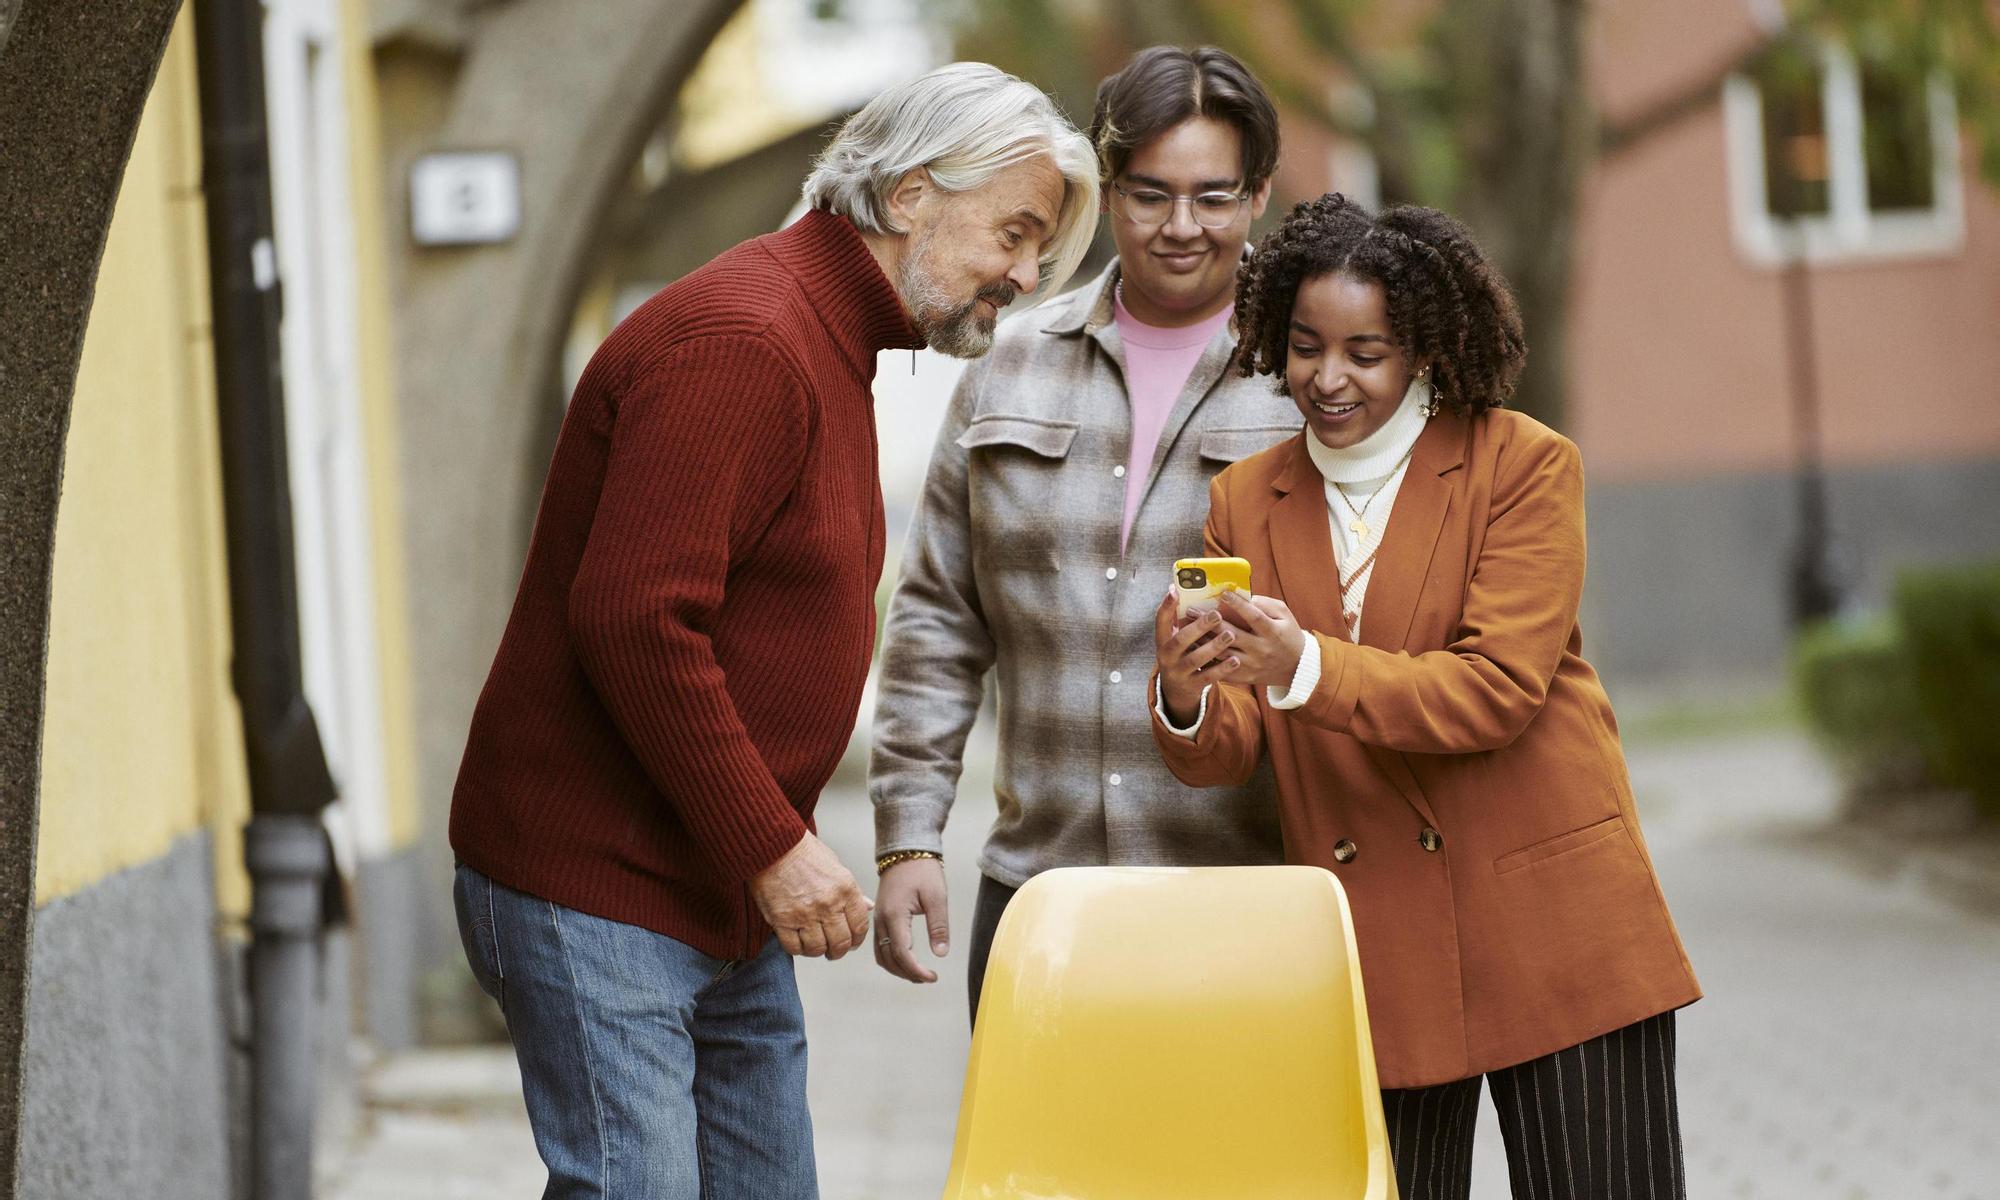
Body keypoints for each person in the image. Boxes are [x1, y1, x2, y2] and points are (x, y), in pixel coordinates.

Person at [447, 63, 1097, 1200]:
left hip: (716, 890)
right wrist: (775, 847)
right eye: (1015, 231)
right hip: (599, 886)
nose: (1024, 273)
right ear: (908, 196)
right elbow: (636, 618)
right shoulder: (746, 341)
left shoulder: (825, 340)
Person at [1151, 194, 1701, 1200]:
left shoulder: (1522, 465)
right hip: (1374, 946)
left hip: (1552, 924)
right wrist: (1186, 696)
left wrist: (1302, 666)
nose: (1326, 378)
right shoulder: (1241, 500)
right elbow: (1231, 739)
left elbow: (1494, 691)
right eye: (1306, 345)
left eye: (1365, 351)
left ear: (1424, 352)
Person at [868, 46, 1300, 1021]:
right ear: (1105, 195)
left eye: (1212, 196)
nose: (1181, 226)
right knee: (1044, 1178)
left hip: (1244, 898)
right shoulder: (1006, 366)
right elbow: (935, 620)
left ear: (1258, 195)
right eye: (1149, 194)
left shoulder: (1309, 383)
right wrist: (906, 839)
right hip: (1038, 898)